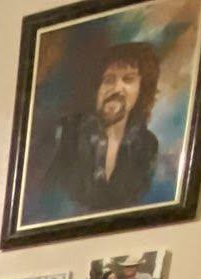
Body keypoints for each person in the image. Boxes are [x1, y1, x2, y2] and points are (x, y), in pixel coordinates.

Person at [35, 40, 163, 215]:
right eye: (108, 80)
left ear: (142, 90)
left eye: (128, 79)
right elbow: (47, 201)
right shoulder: (67, 132)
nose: (116, 89)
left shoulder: (147, 145)